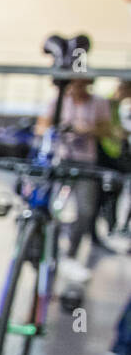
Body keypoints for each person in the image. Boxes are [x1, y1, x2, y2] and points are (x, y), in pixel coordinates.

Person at [35, 76, 116, 303]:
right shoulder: (58, 102)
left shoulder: (98, 103)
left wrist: (88, 129)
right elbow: (40, 126)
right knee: (53, 209)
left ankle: (71, 254)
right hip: (60, 161)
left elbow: (108, 130)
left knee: (86, 210)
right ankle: (50, 253)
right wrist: (58, 128)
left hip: (86, 163)